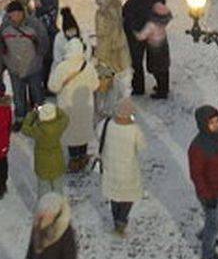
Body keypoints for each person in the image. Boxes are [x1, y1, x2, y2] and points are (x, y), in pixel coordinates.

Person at [187, 106, 218, 259]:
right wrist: (207, 196)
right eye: (211, 122)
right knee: (214, 224)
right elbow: (197, 175)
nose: (216, 125)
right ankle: (208, 253)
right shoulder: (197, 148)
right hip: (212, 194)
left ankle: (206, 233)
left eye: (217, 121)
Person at [48, 37, 99, 171]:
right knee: (82, 130)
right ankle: (82, 156)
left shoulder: (61, 67)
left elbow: (53, 87)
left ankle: (74, 159)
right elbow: (96, 85)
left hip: (67, 106)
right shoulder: (88, 66)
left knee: (71, 132)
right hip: (85, 106)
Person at [98, 97, 145, 234]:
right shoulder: (134, 130)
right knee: (128, 196)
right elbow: (142, 146)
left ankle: (116, 219)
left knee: (114, 195)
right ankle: (122, 219)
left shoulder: (106, 124)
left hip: (110, 165)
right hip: (127, 168)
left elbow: (98, 136)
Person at [0, 0, 48, 124]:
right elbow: (0, 45)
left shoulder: (34, 24)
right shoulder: (4, 27)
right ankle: (20, 118)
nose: (16, 16)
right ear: (9, 14)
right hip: (14, 67)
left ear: (23, 12)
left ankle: (40, 117)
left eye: (18, 13)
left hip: (33, 67)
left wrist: (39, 57)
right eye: (13, 13)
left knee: (37, 94)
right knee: (18, 96)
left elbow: (43, 42)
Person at [22, 100, 69, 186]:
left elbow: (24, 128)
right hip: (57, 162)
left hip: (42, 164)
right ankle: (58, 199)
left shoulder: (37, 130)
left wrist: (33, 113)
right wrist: (53, 109)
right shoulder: (59, 126)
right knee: (58, 187)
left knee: (43, 188)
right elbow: (65, 117)